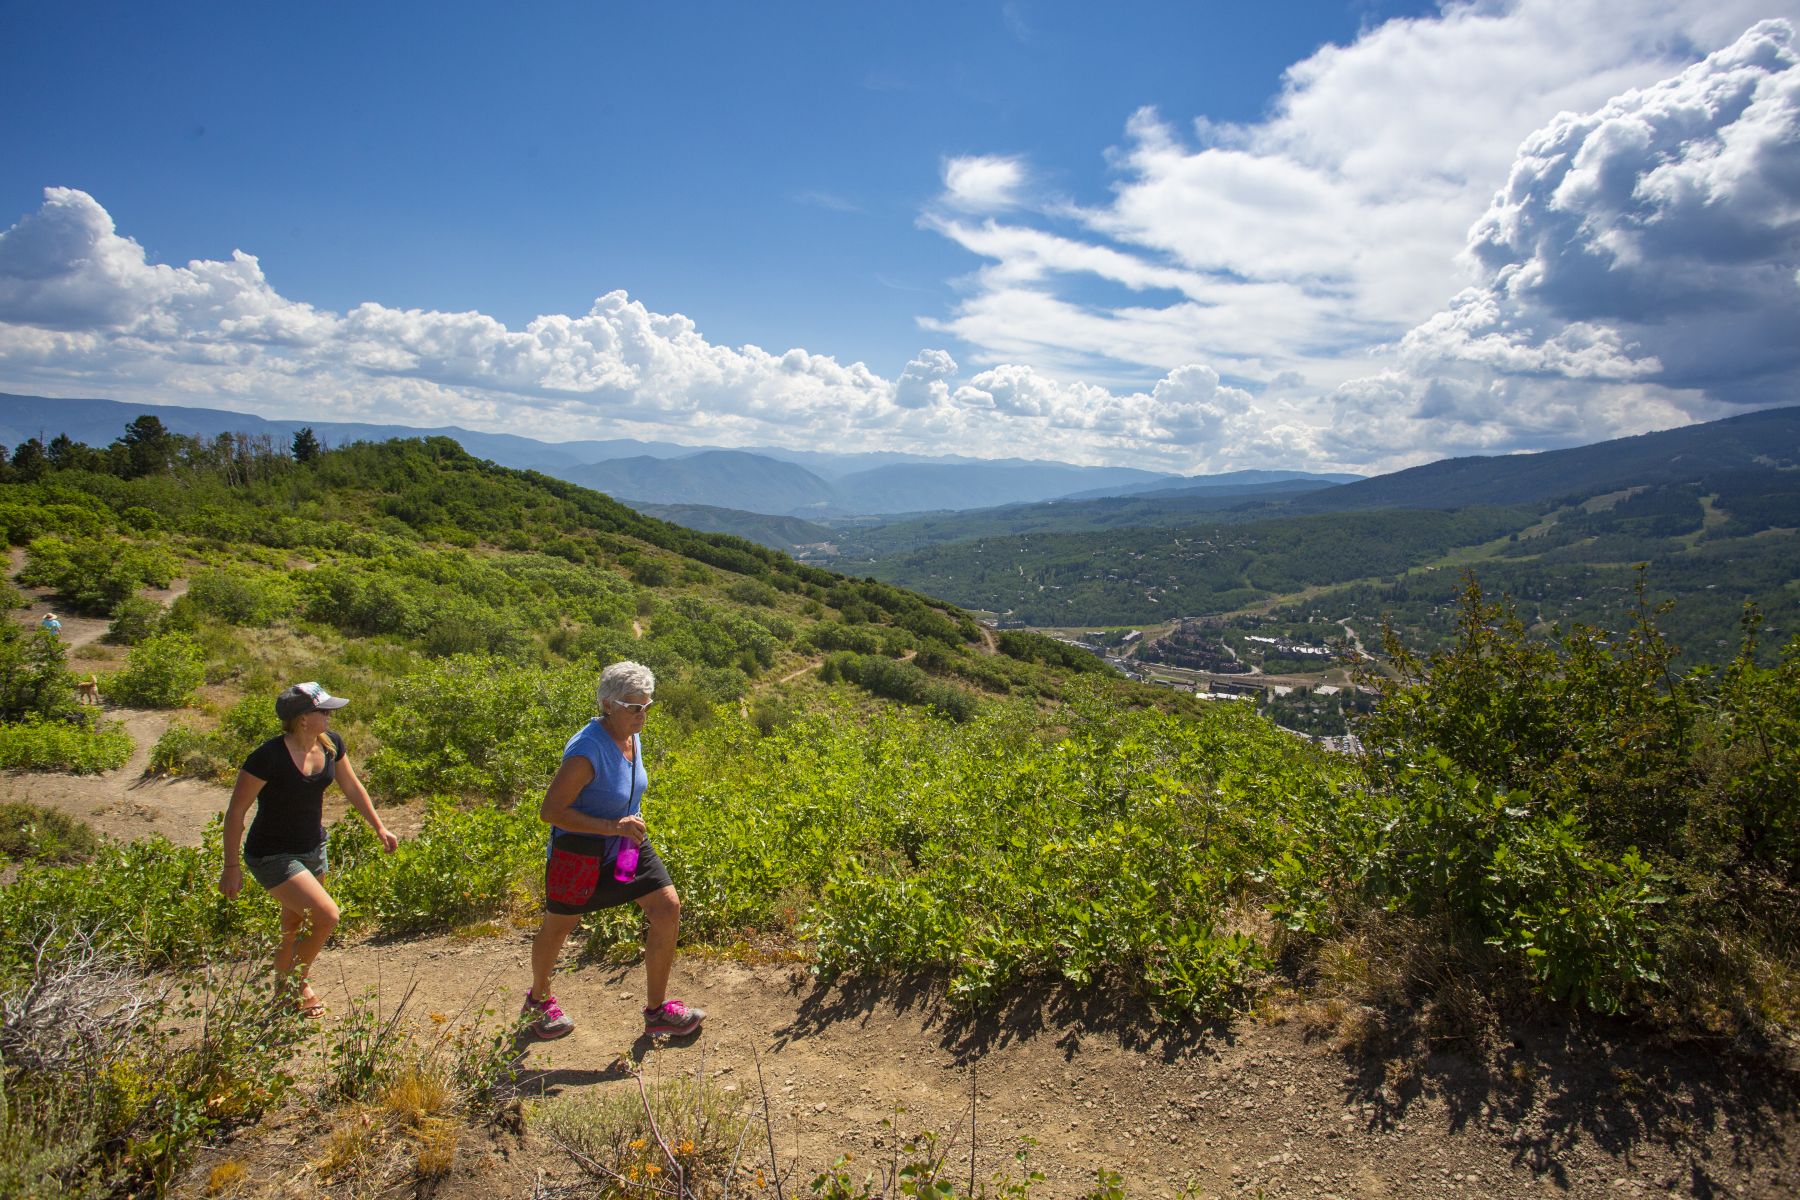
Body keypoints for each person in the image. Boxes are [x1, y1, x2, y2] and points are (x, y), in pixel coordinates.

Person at [523, 660, 704, 1040]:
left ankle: (657, 1011)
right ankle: (538, 1002)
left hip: (626, 844)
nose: (642, 715)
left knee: (666, 907)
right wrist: (611, 826)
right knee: (560, 926)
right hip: (580, 852)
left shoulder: (631, 736)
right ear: (608, 705)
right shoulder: (586, 750)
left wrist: (624, 825)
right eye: (634, 707)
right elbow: (550, 811)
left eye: (647, 706)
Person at [218, 682, 398, 1015]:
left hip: (313, 847)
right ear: (303, 719)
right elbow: (236, 812)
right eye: (324, 711)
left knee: (293, 926)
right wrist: (231, 867)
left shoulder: (331, 745)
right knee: (327, 916)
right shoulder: (267, 757)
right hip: (272, 855)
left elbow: (351, 786)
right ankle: (296, 984)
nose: (331, 716)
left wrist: (379, 826)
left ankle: (284, 992)